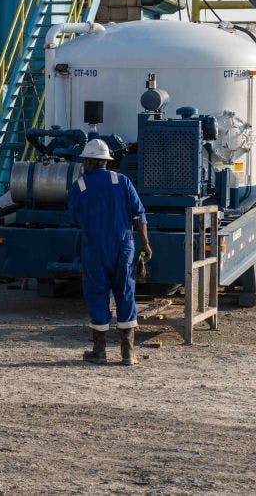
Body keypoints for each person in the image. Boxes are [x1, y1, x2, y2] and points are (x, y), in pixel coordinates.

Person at [68, 139, 152, 366]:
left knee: (97, 294)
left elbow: (74, 218)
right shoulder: (122, 181)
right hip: (123, 246)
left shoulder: (80, 185)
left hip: (95, 248)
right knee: (125, 293)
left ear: (87, 161)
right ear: (106, 161)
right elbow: (139, 216)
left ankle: (100, 351)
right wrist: (145, 244)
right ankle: (128, 353)